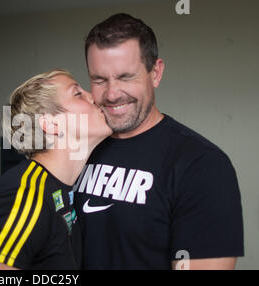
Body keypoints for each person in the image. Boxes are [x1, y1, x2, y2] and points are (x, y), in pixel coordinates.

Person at [74, 13, 244, 269]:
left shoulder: (203, 165)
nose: (111, 94)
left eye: (126, 77)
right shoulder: (77, 149)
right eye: (99, 80)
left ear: (156, 73)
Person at [0, 69, 112, 269]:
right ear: (51, 123)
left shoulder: (63, 189)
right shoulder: (24, 196)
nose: (93, 97)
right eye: (78, 93)